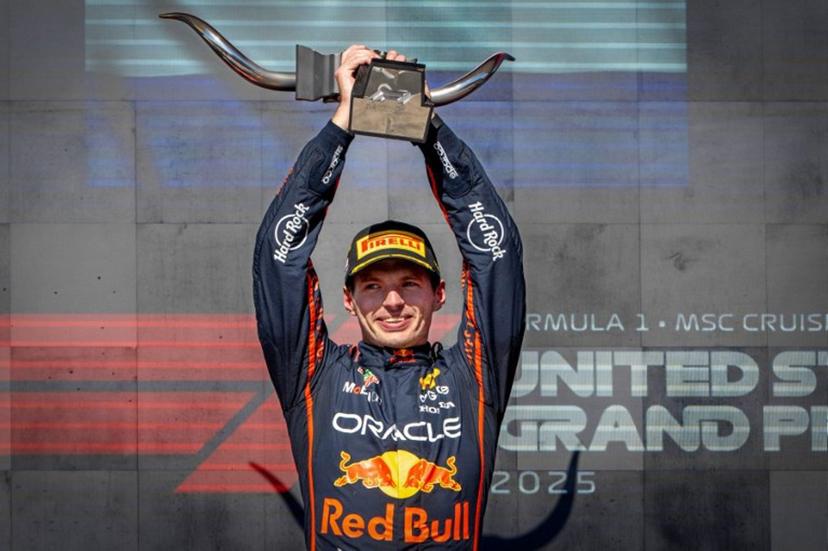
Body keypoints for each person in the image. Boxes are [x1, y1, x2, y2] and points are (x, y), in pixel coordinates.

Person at [253, 45, 525, 550]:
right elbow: (279, 257)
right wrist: (342, 124)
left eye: (410, 283)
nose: (393, 301)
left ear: (440, 293)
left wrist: (427, 127)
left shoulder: (474, 376)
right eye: (373, 286)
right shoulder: (313, 377)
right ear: (349, 299)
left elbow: (496, 254)